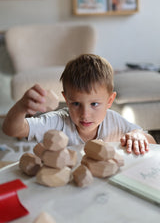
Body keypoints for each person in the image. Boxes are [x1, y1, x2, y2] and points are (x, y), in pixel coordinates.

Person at [2, 54, 156, 155]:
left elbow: (152, 142)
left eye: (94, 104)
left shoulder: (114, 121)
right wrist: (21, 107)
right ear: (66, 99)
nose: (85, 114)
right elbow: (12, 130)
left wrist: (139, 135)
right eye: (76, 103)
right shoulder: (57, 121)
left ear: (110, 100)